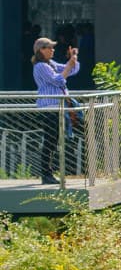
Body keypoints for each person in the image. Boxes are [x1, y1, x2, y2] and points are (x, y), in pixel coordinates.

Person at [30, 36, 78, 186]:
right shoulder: (40, 66)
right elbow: (58, 80)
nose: (53, 50)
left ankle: (49, 173)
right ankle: (46, 174)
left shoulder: (50, 63)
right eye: (49, 47)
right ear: (41, 50)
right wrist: (69, 66)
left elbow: (69, 71)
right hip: (49, 108)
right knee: (50, 141)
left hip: (58, 107)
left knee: (54, 140)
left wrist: (73, 59)